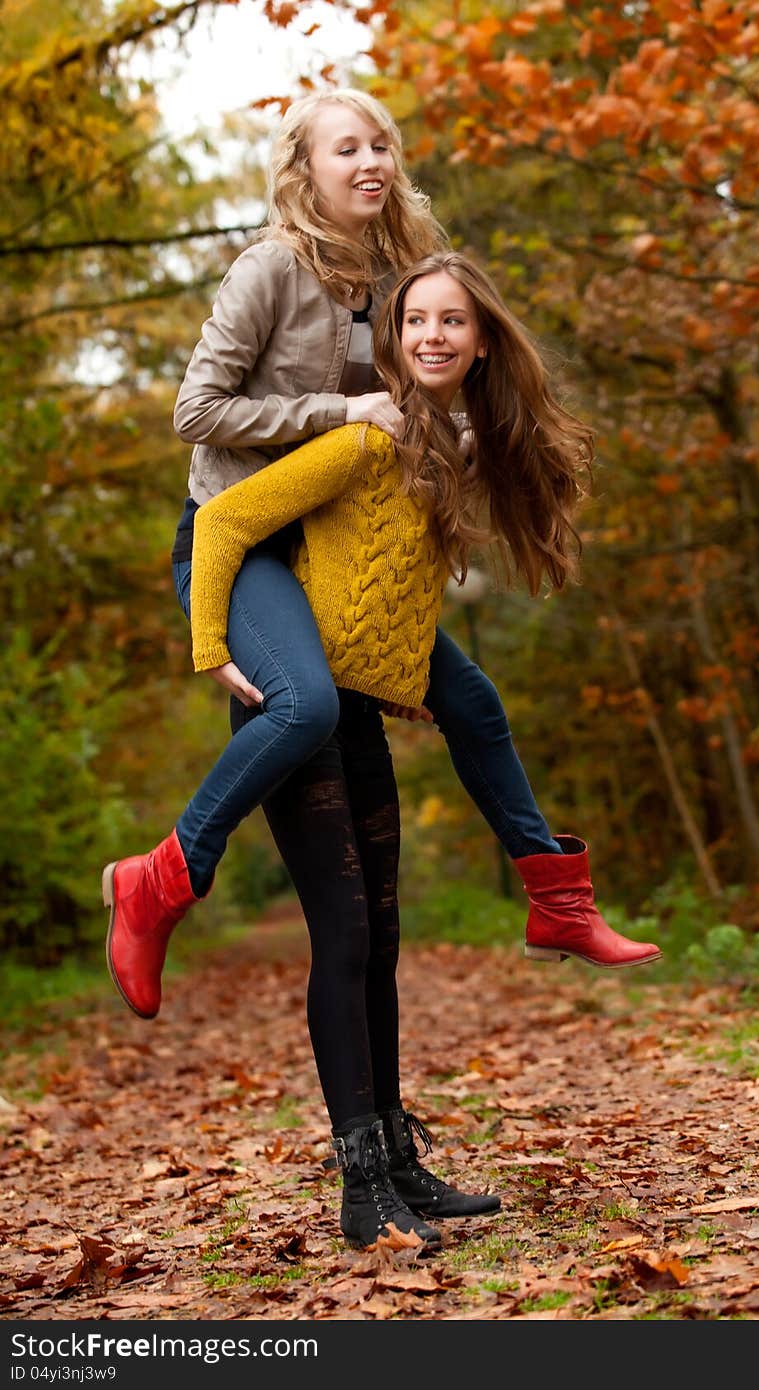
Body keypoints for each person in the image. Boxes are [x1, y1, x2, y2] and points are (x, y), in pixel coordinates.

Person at [103, 88, 659, 1030]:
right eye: (345, 148)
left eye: (381, 145)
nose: (369, 162)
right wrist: (340, 413)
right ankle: (161, 879)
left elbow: (418, 410)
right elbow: (195, 414)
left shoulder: (399, 279)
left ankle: (560, 902)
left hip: (335, 544)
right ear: (303, 169)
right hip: (240, 540)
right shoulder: (268, 270)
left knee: (474, 702)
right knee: (306, 705)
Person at [183, 250, 598, 1251]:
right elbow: (223, 519)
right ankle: (362, 1190)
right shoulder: (364, 431)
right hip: (289, 689)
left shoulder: (437, 441)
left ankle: (400, 1164)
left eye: (453, 322)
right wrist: (210, 647)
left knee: (383, 931)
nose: (432, 337)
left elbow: (387, 588)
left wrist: (411, 678)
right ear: (390, 339)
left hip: (350, 690)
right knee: (347, 939)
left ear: (481, 337)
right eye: (416, 322)